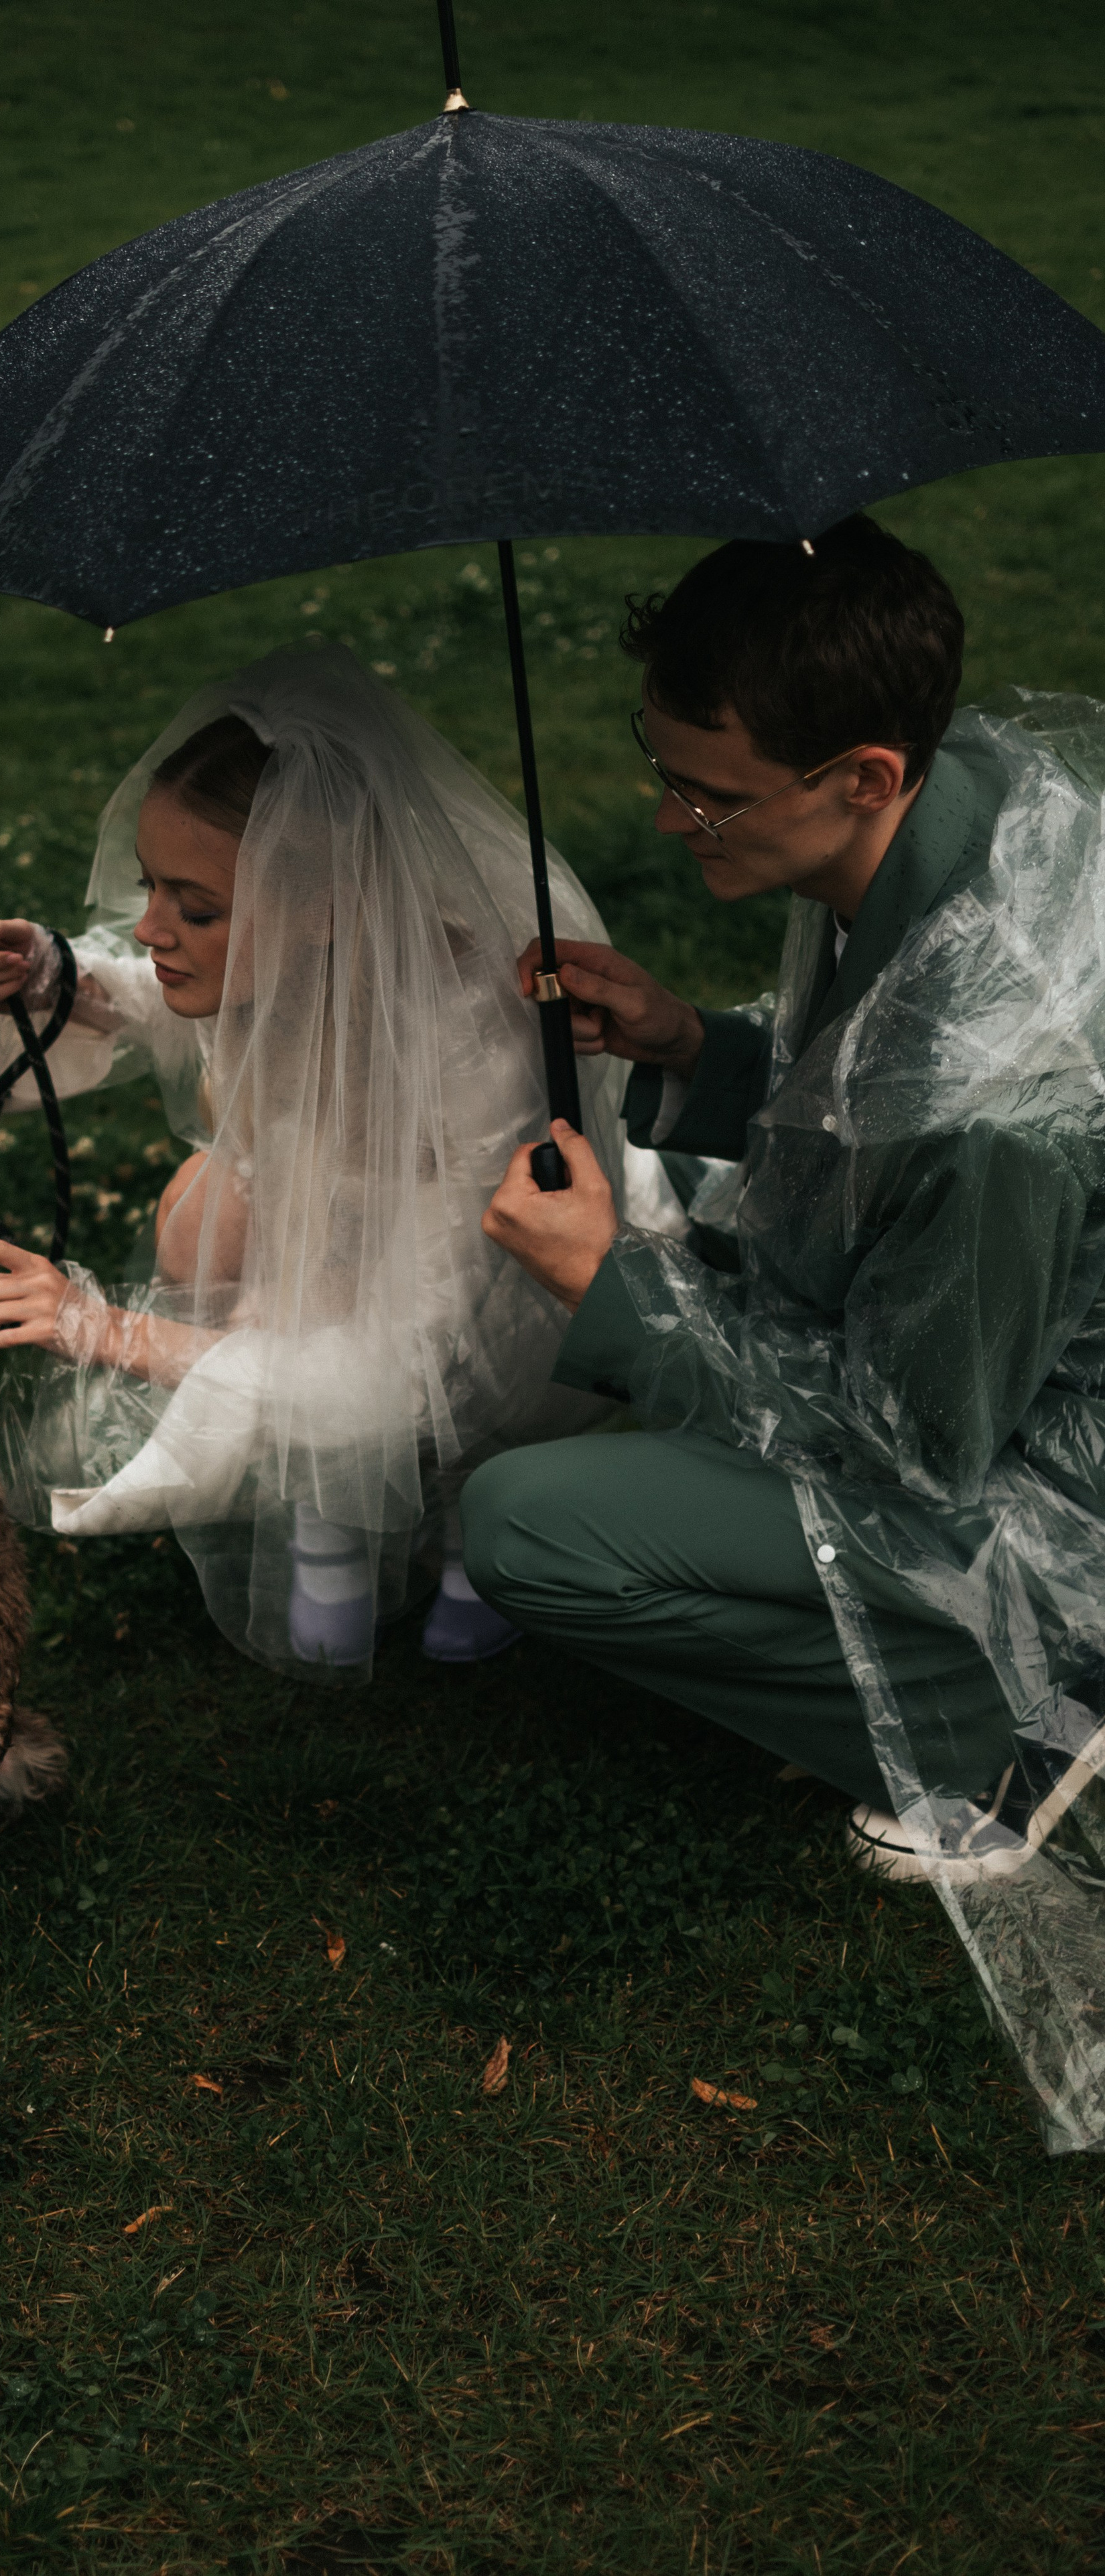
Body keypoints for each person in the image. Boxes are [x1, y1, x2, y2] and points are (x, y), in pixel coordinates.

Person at [457, 515, 1105, 2151]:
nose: (670, 819)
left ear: (862, 769)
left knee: (524, 1528)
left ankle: (1002, 1722)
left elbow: (909, 1439)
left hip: (1013, 1458)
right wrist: (696, 1045)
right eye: (659, 768)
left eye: (706, 792)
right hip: (962, 1323)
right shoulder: (950, 823)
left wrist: (609, 1286)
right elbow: (853, 1096)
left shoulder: (990, 1106)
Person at [0, 642, 677, 1681]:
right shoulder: (304, 950)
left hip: (485, 1306)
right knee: (207, 1212)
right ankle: (330, 1511)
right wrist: (59, 979)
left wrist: (109, 1328)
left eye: (197, 909)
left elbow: (411, 1366)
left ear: (323, 905)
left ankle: (464, 1519)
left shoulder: (468, 1056)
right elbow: (168, 1004)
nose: (151, 928)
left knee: (441, 1419)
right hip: (343, 1259)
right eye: (151, 890)